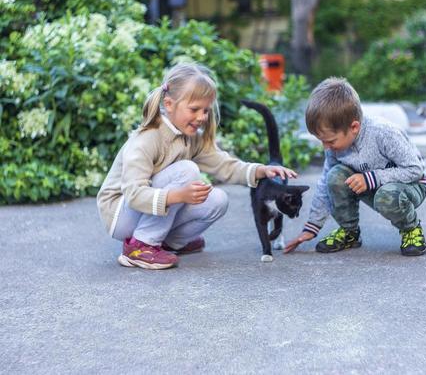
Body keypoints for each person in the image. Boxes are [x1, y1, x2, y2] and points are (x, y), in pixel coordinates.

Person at [97, 62, 296, 270]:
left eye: (206, 110)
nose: (201, 117)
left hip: (143, 211)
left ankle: (170, 243)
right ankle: (141, 246)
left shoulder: (190, 137)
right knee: (188, 170)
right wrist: (178, 196)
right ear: (170, 104)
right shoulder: (147, 139)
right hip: (120, 214)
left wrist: (259, 170)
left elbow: (223, 165)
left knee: (218, 200)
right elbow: (133, 194)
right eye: (194, 109)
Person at [284, 77, 426, 256]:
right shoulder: (335, 147)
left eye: (329, 141)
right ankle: (349, 232)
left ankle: (411, 229)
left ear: (354, 127)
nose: (325, 147)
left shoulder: (384, 133)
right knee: (335, 176)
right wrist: (312, 227)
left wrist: (371, 179)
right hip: (372, 182)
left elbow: (415, 170)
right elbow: (324, 185)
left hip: (411, 184)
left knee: (386, 195)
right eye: (321, 141)